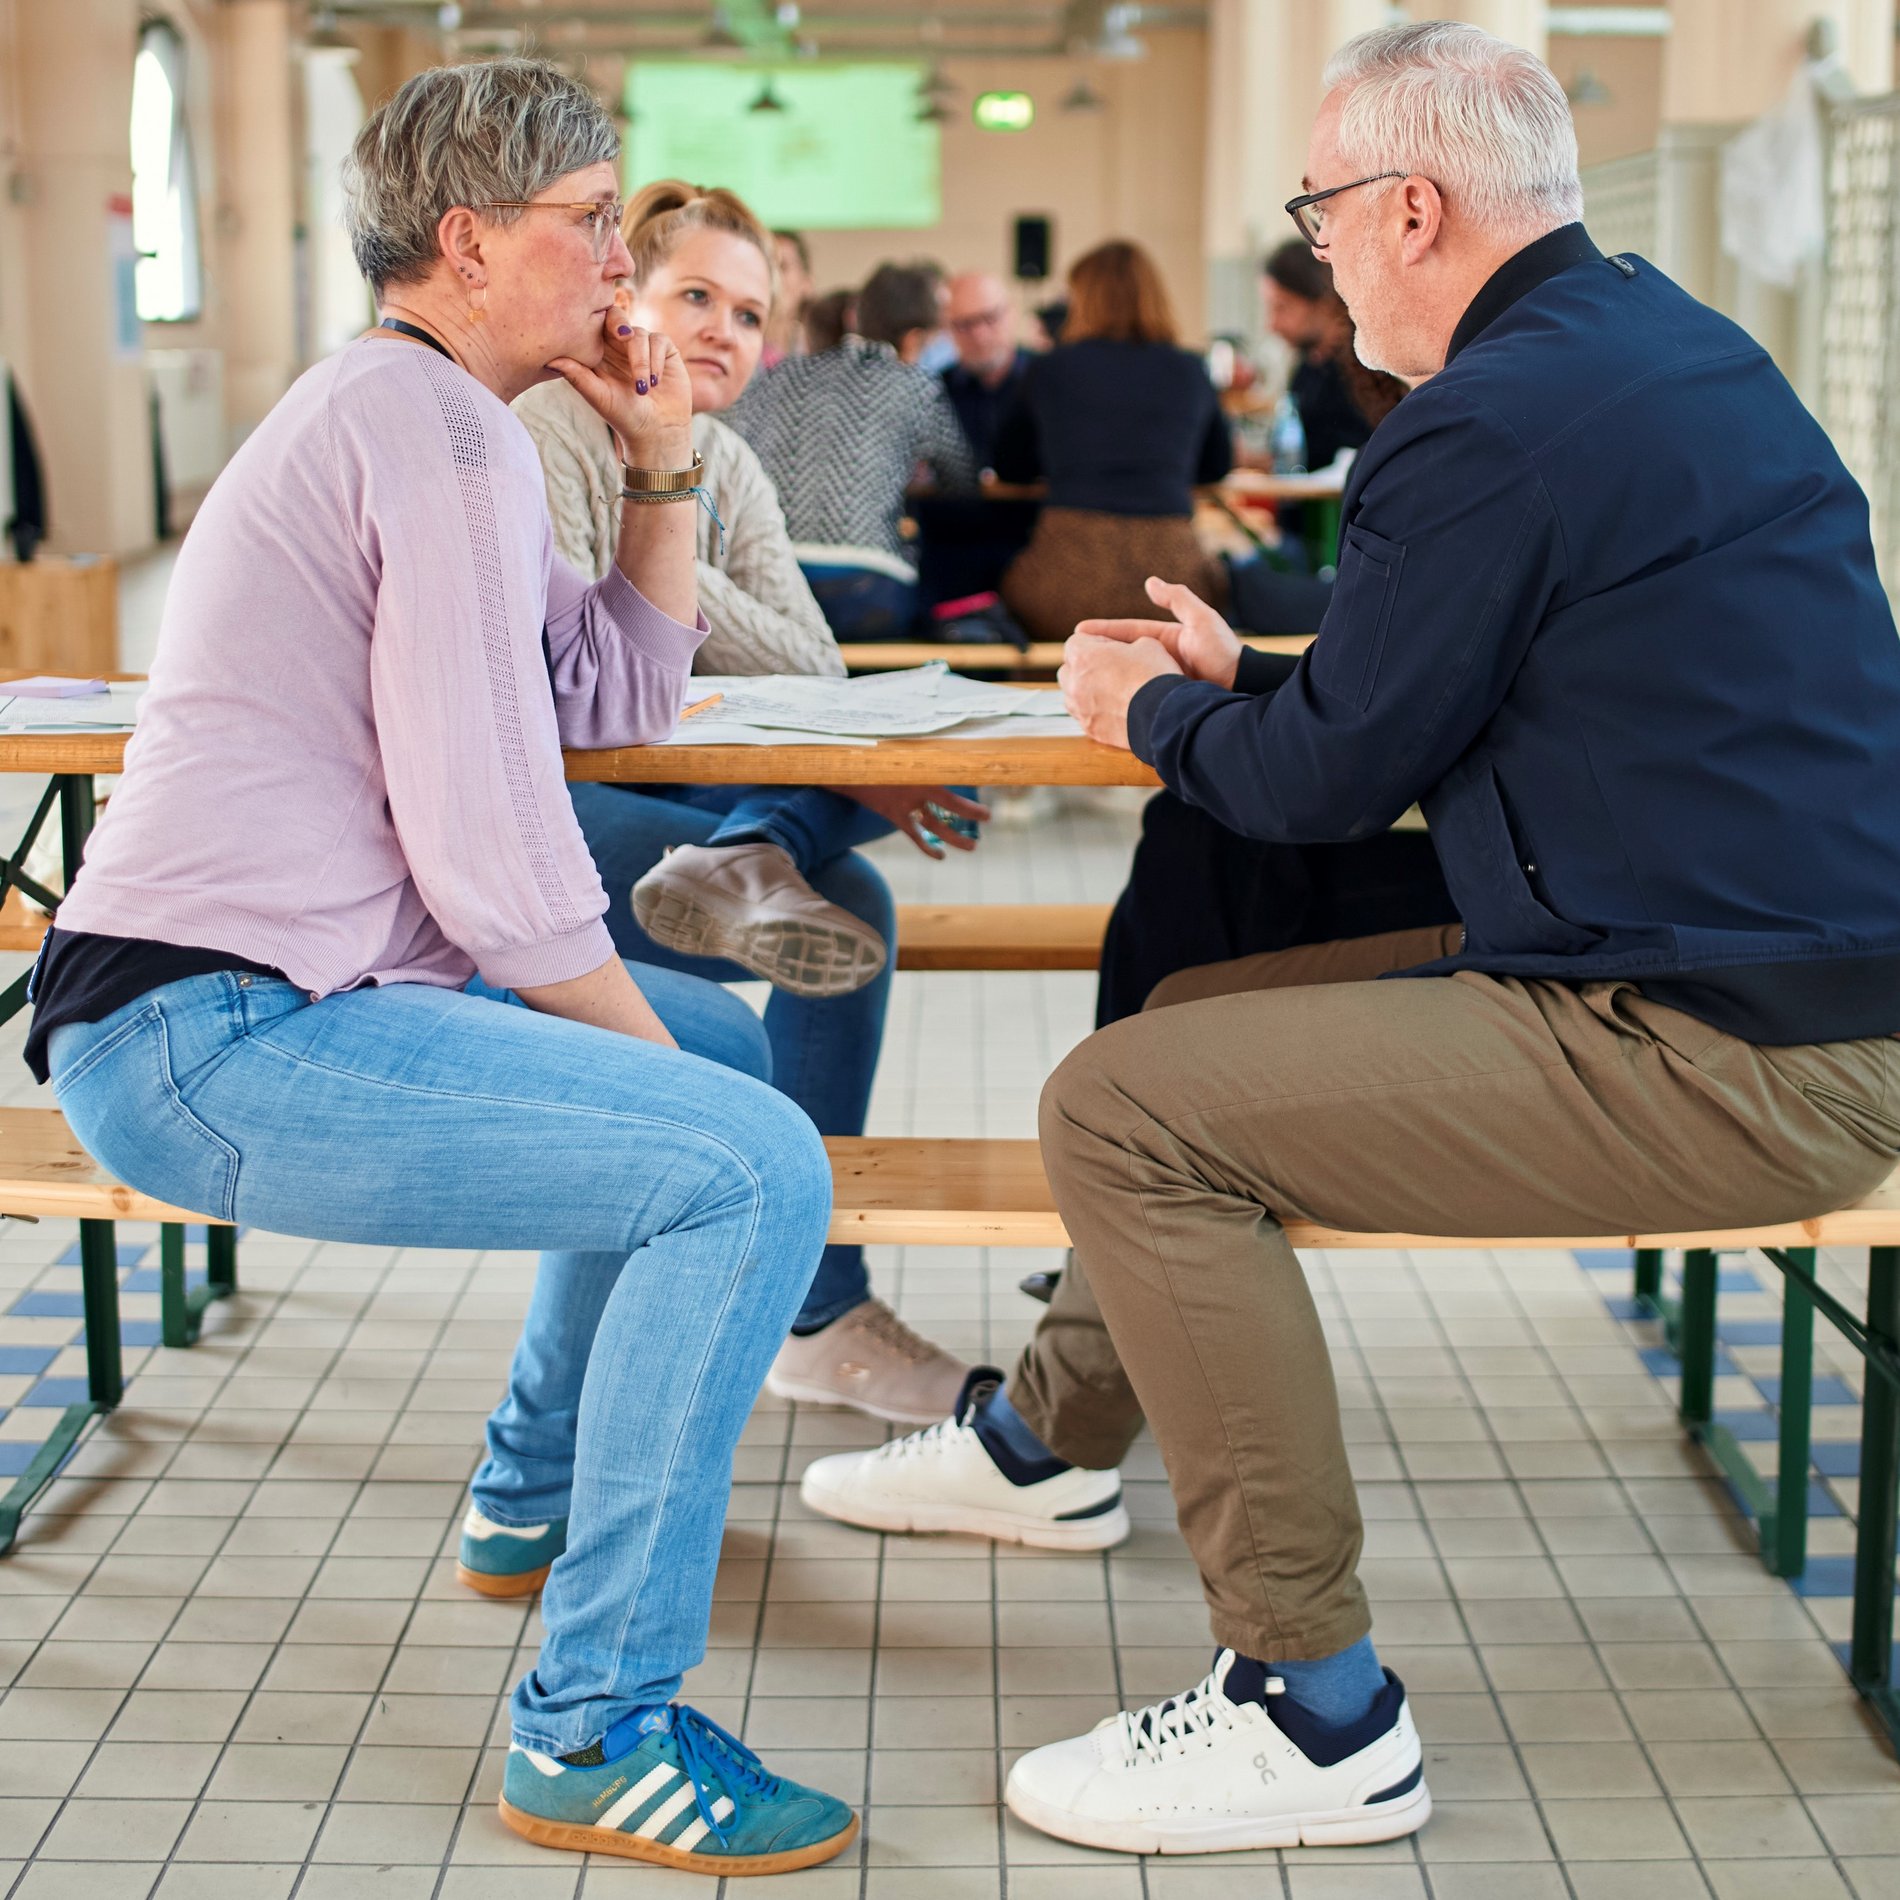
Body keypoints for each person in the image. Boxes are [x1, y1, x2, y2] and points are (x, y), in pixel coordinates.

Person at [801, 19, 1900, 1858]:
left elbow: (1318, 787)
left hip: (1725, 1041)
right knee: (1204, 989)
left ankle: (1312, 1709)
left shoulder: (1482, 416)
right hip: (1765, 965)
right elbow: (1455, 688)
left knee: (1124, 1111)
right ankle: (1048, 1449)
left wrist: (1140, 713)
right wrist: (1264, 682)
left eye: (1320, 215)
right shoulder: (1668, 347)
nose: (1314, 253)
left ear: (1414, 207)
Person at [29, 59, 860, 1875]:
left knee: (716, 1051)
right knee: (745, 1156)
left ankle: (530, 1487)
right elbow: (497, 858)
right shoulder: (428, 429)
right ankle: (595, 1729)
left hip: (284, 1001)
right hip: (209, 1029)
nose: (619, 272)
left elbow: (611, 697)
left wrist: (655, 467)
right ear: (469, 243)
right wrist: (659, 1071)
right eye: (588, 226)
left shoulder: (448, 421)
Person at [513, 180, 981, 1428]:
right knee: (856, 887)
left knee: (929, 773)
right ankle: (817, 1313)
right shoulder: (552, 425)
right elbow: (586, 688)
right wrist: (677, 552)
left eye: (751, 311)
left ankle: (755, 849)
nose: (725, 330)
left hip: (675, 790)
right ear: (624, 298)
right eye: (696, 297)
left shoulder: (729, 457)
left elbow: (816, 674)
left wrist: (669, 554)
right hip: (539, 821)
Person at [993, 240, 1231, 641]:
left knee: (1013, 586)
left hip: (1065, 580)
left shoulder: (1051, 368)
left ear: (1082, 300)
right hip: (1170, 581)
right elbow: (1216, 466)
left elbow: (1009, 465)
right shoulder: (1190, 369)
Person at [728, 260, 977, 639]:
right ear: (913, 338)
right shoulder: (915, 385)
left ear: (855, 315)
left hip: (775, 571)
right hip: (869, 581)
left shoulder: (787, 373)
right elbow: (961, 479)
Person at [941, 271, 1029, 464]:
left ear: (1011, 314)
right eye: (965, 324)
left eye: (990, 318)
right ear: (948, 328)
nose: (979, 335)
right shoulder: (936, 392)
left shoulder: (1046, 380)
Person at [763, 226, 811, 365]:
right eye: (767, 266)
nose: (773, 277)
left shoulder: (821, 351)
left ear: (806, 282)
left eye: (783, 267)